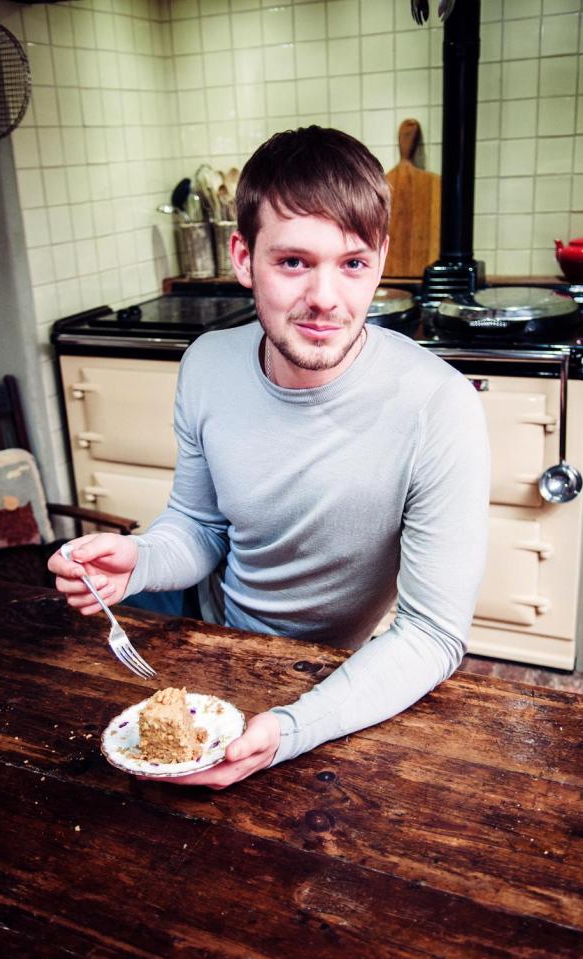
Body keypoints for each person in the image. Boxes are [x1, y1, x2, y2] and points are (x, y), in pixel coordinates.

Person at [49, 125, 490, 789]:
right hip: (210, 640)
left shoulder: (439, 406)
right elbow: (198, 526)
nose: (324, 298)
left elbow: (430, 632)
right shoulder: (205, 365)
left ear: (380, 259)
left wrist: (288, 728)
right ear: (241, 256)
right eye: (291, 262)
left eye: (352, 263)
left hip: (335, 676)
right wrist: (137, 560)